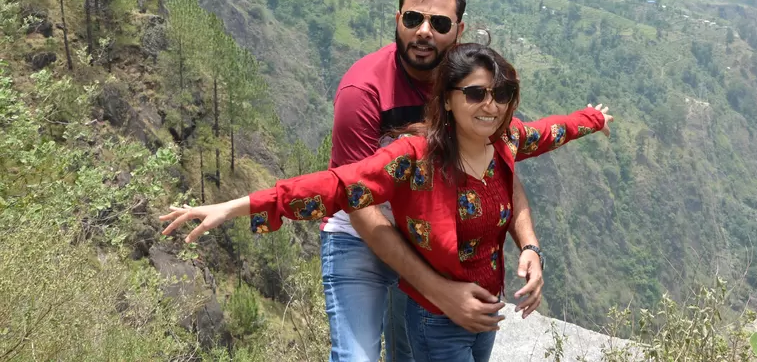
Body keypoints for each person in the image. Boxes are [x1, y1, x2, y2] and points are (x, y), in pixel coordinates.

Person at [161, 44, 613, 362]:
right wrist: (237, 206)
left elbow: (556, 129)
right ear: (448, 100)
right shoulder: (415, 158)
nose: (490, 106)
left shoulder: (506, 141)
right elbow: (336, 185)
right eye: (476, 93)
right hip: (436, 319)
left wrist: (595, 119)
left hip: (485, 312)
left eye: (502, 94)